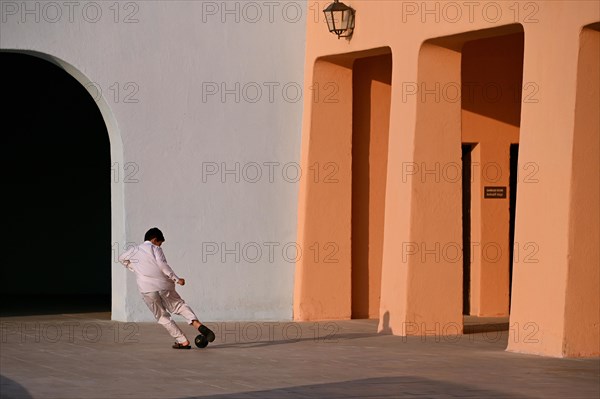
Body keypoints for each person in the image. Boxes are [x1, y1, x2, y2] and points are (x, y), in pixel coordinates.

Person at [118, 227, 215, 349]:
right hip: (164, 285)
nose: (160, 245)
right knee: (179, 305)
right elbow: (162, 264)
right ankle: (196, 323)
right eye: (160, 242)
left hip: (147, 289)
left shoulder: (134, 250)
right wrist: (177, 279)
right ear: (154, 240)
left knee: (162, 316)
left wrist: (134, 268)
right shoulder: (155, 248)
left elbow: (121, 258)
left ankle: (183, 341)